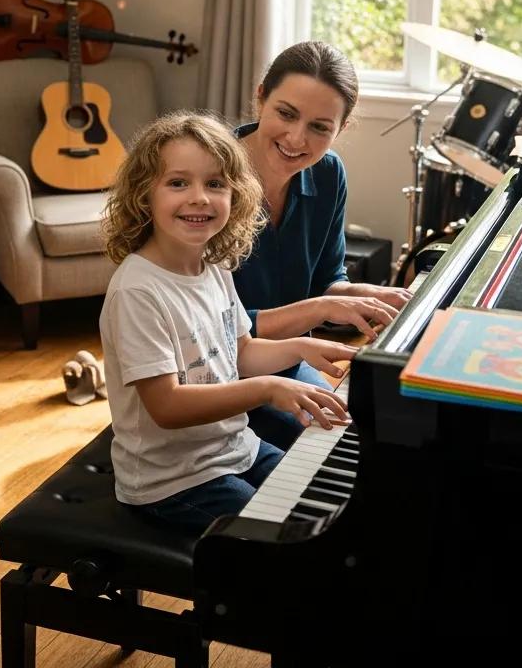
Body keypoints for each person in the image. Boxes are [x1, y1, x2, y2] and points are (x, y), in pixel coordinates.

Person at [99, 111, 358, 533]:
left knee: (330, 503)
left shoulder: (214, 266)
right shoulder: (137, 291)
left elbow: (241, 352)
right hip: (175, 481)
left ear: (235, 195)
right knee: (284, 537)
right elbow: (166, 407)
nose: (200, 197)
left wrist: (301, 348)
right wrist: (268, 388)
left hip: (236, 447)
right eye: (178, 183)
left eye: (216, 183)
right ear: (144, 195)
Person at [234, 40, 412, 448]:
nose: (297, 138)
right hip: (215, 375)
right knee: (330, 450)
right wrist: (321, 308)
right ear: (261, 97)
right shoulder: (209, 181)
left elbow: (327, 280)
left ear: (341, 129)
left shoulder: (329, 173)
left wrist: (369, 297)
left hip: (287, 364)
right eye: (286, 113)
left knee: (367, 435)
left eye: (319, 127)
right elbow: (211, 329)